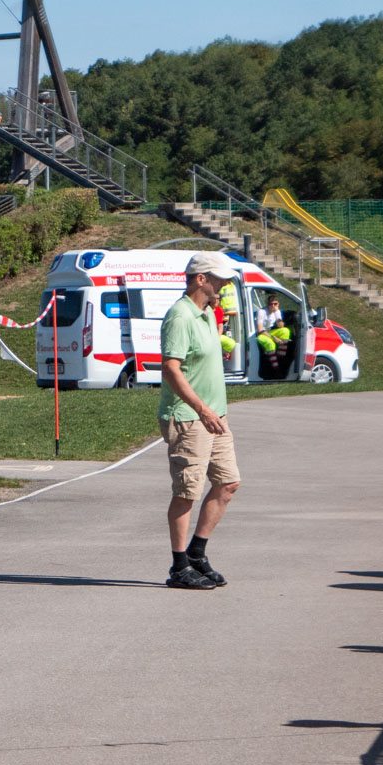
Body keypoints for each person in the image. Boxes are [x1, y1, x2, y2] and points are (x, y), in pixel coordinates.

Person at [158, 252, 241, 590]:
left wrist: (213, 411)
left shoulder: (206, 313)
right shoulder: (180, 316)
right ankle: (179, 567)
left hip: (215, 416)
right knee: (187, 491)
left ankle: (196, 553)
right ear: (200, 279)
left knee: (228, 483)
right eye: (218, 279)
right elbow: (171, 369)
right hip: (190, 417)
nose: (224, 285)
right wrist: (202, 409)